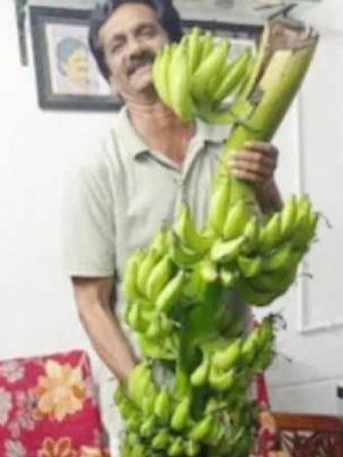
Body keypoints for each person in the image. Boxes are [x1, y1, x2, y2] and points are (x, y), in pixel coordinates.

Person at [62, 0, 283, 452]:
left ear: (174, 42)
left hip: (225, 387)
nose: (135, 49)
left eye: (146, 32)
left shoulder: (232, 137)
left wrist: (265, 187)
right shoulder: (97, 169)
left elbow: (270, 260)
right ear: (110, 73)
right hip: (149, 397)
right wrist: (146, 391)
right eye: (117, 45)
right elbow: (92, 302)